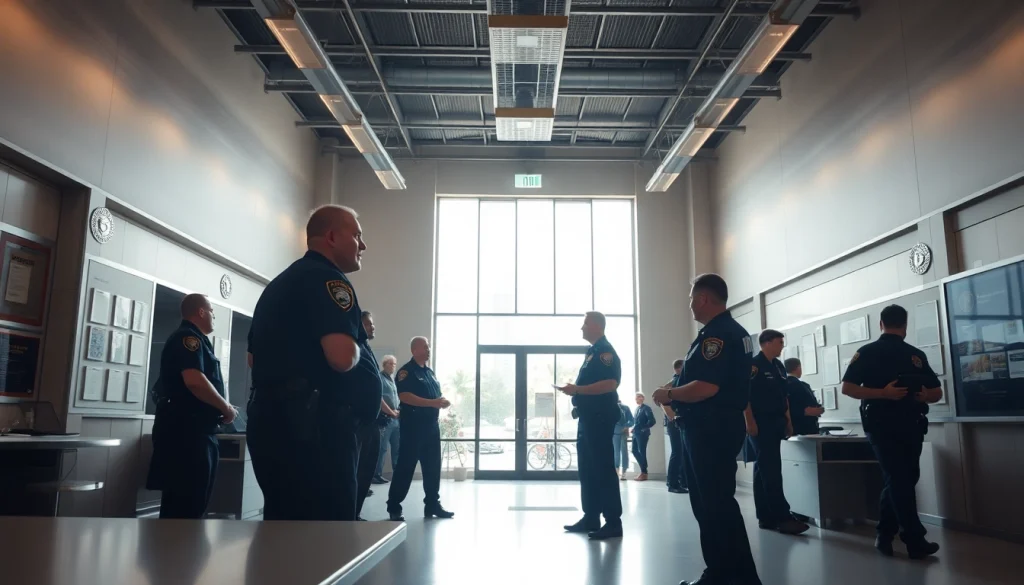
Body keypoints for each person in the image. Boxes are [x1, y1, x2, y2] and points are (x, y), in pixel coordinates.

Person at [246, 205, 382, 521]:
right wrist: (358, 348)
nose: (363, 246)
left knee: (285, 531)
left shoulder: (281, 284)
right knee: (326, 539)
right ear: (332, 237)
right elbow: (342, 357)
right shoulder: (328, 280)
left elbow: (253, 358)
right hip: (315, 431)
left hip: (276, 422)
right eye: (357, 236)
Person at [653, 273, 762, 585]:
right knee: (713, 507)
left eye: (691, 300)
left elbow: (706, 387)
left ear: (703, 298)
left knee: (714, 507)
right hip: (714, 428)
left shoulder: (717, 336)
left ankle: (730, 577)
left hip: (709, 430)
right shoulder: (730, 332)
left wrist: (670, 394)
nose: (690, 306)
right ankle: (725, 573)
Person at [841, 304, 943, 559]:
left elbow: (936, 391)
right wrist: (883, 394)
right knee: (899, 478)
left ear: (880, 323)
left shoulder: (914, 355)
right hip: (883, 425)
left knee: (902, 478)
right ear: (905, 326)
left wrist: (923, 394)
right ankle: (914, 539)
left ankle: (884, 534)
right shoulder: (868, 353)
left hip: (910, 423)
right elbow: (849, 388)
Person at [146, 294, 237, 519]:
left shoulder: (196, 340)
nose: (214, 316)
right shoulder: (188, 339)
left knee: (190, 505)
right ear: (201, 312)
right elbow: (194, 381)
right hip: (187, 436)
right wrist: (225, 408)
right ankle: (176, 552)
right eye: (212, 311)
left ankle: (178, 551)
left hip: (192, 433)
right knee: (185, 508)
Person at [558, 312, 623, 541]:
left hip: (599, 418)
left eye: (585, 323)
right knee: (588, 468)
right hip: (588, 419)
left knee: (603, 469)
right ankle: (591, 516)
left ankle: (613, 521)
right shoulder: (592, 352)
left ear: (596, 325)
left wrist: (577, 389)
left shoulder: (605, 352)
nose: (582, 328)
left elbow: (610, 383)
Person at [745, 330, 808, 535]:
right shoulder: (754, 366)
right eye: (780, 342)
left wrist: (788, 420)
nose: (782, 346)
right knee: (771, 469)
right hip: (760, 422)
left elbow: (784, 396)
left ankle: (765, 516)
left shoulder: (779, 366)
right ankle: (782, 516)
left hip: (776, 421)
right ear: (767, 342)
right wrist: (750, 422)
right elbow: (745, 397)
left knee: (762, 468)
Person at [386, 337, 455, 521]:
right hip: (413, 429)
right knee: (405, 468)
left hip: (431, 427)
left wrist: (441, 401)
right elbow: (405, 396)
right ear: (415, 350)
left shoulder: (430, 372)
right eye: (425, 346)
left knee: (432, 467)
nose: (429, 349)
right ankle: (394, 506)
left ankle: (432, 504)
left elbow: (433, 395)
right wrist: (433, 402)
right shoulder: (406, 372)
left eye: (429, 347)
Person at [355, 311, 385, 520]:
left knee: (366, 471)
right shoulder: (354, 347)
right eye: (368, 324)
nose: (372, 327)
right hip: (357, 422)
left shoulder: (366, 347)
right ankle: (349, 515)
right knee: (356, 471)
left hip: (371, 422)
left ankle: (355, 512)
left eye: (373, 324)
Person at [372, 355, 401, 484]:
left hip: (396, 419)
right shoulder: (380, 378)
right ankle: (376, 475)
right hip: (386, 419)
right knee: (382, 448)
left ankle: (398, 473)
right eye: (391, 364)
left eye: (394, 364)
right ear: (384, 364)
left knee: (397, 447)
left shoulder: (393, 379)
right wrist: (391, 412)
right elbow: (380, 399)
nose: (393, 366)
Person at [662, 359, 688, 493]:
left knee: (682, 452)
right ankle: (672, 483)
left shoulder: (679, 381)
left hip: (679, 420)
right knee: (677, 452)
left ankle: (682, 481)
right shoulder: (674, 382)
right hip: (675, 422)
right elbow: (661, 398)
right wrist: (671, 415)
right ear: (679, 368)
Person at [785, 358, 824, 436]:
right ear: (798, 367)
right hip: (806, 428)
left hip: (788, 429)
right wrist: (817, 410)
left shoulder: (782, 385)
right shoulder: (802, 386)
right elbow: (812, 406)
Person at [631, 393, 656, 481]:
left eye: (637, 398)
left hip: (642, 434)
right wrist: (634, 428)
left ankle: (644, 472)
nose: (636, 399)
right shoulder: (637, 409)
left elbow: (652, 421)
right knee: (634, 450)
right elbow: (637, 421)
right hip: (636, 433)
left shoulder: (646, 408)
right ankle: (643, 470)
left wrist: (643, 429)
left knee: (642, 452)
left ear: (642, 398)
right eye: (635, 398)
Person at [612, 398, 634, 480]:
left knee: (624, 452)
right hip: (614, 433)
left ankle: (624, 472)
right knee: (615, 452)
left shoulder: (625, 408)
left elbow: (632, 420)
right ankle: (616, 471)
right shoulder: (610, 408)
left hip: (623, 433)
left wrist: (626, 426)